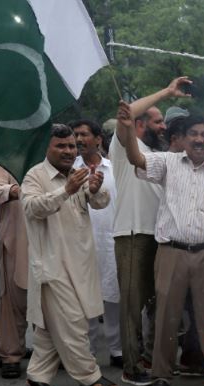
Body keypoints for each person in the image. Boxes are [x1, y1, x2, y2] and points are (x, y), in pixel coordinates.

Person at [117, 101, 204, 386]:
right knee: (166, 316)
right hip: (171, 252)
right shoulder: (167, 162)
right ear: (184, 138)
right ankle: (161, 374)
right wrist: (126, 129)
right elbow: (136, 157)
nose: (199, 139)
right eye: (193, 134)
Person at [21, 124, 120, 386]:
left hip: (80, 263)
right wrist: (66, 190)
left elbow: (98, 203)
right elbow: (31, 208)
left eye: (71, 146)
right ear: (47, 148)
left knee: (50, 329)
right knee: (74, 323)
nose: (68, 151)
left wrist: (96, 189)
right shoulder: (34, 176)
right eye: (61, 146)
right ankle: (90, 375)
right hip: (51, 266)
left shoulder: (77, 174)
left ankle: (37, 377)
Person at [109, 77, 182, 386]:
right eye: (157, 120)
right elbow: (125, 114)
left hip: (160, 236)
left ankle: (150, 357)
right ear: (139, 125)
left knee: (156, 303)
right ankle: (131, 365)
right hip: (133, 233)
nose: (163, 126)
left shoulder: (160, 156)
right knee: (132, 304)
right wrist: (166, 91)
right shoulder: (126, 146)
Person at [73, 119, 122, 368]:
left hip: (110, 241)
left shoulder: (114, 169)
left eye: (84, 135)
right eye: (76, 136)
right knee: (85, 302)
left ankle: (117, 350)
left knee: (113, 298)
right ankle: (88, 353)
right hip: (80, 244)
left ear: (98, 139)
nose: (79, 140)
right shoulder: (70, 170)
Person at [0, 163, 30, 379]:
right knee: (12, 299)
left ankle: (54, 353)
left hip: (52, 239)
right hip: (16, 238)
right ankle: (11, 354)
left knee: (53, 298)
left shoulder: (57, 155)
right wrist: (12, 190)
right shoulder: (8, 159)